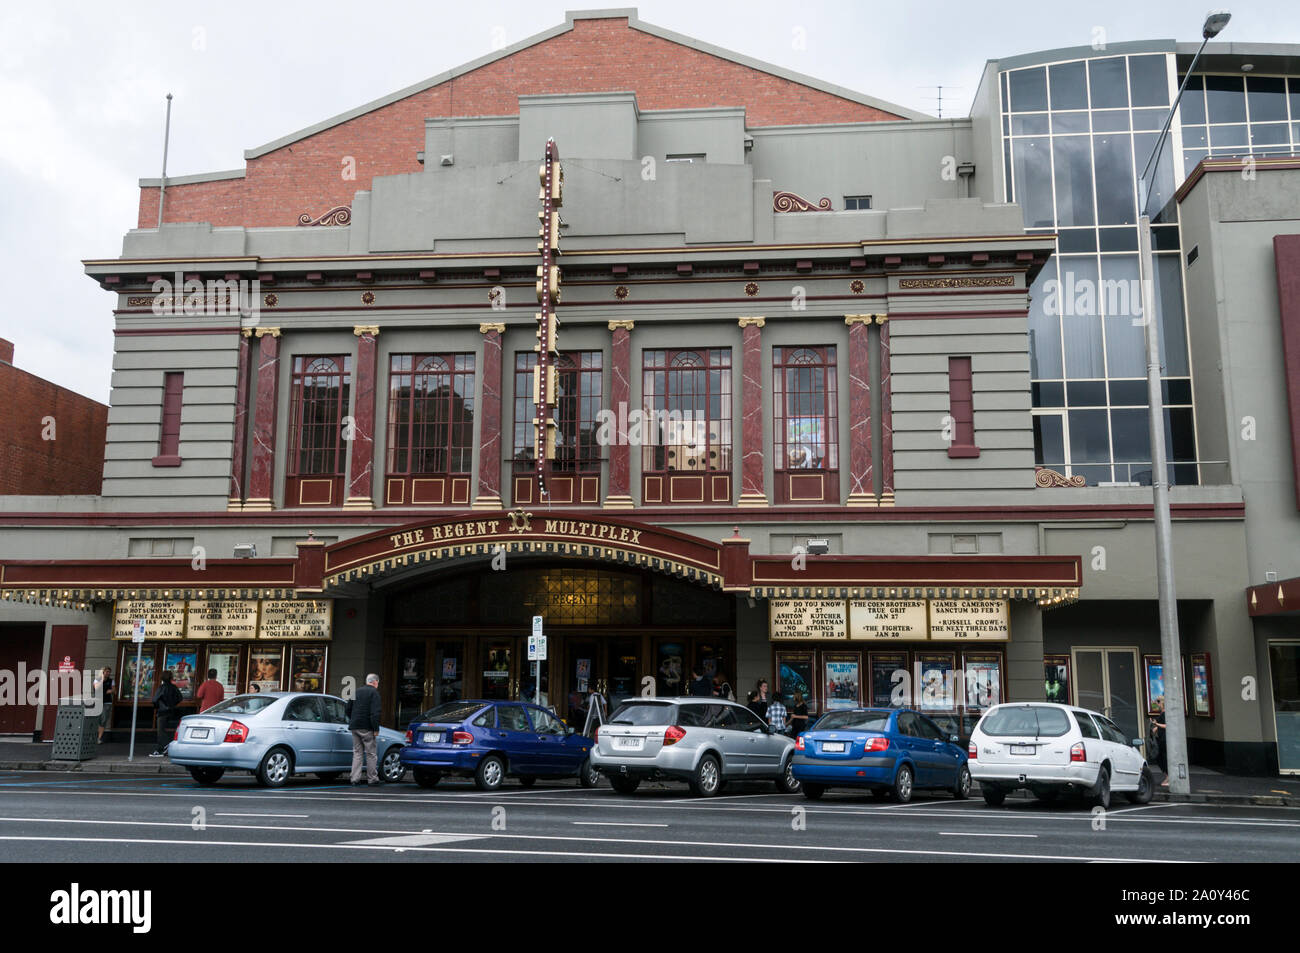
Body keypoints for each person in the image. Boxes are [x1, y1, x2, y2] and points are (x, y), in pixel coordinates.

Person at [347, 674, 383, 785]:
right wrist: (376, 728)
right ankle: (372, 779)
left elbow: (348, 708)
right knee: (371, 753)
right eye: (378, 683)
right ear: (375, 682)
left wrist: (353, 719)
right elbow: (375, 713)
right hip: (367, 727)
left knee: (357, 753)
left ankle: (354, 778)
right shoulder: (374, 693)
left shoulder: (356, 691)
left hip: (354, 726)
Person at [149, 671, 182, 757]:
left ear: (162, 678)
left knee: (160, 731)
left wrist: (158, 706)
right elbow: (180, 698)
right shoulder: (174, 687)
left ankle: (163, 748)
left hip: (162, 712)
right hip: (171, 711)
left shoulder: (161, 687)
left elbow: (155, 700)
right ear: (171, 677)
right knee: (168, 730)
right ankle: (163, 748)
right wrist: (172, 704)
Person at [1151, 697, 1169, 787]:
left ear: (1162, 703)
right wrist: (1156, 728)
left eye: (1158, 701)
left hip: (1165, 739)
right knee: (1159, 757)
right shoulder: (1162, 713)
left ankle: (1169, 777)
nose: (1157, 703)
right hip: (1161, 738)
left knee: (1163, 757)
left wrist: (1156, 724)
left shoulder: (1165, 713)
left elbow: (1167, 725)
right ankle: (1167, 776)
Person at [94, 667, 114, 743]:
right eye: (106, 672)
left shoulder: (111, 681)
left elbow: (113, 690)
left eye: (109, 672)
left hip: (107, 702)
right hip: (98, 701)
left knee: (103, 720)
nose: (108, 673)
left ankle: (99, 738)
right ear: (102, 672)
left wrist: (110, 690)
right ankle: (93, 736)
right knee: (96, 719)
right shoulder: (97, 679)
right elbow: (96, 688)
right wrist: (102, 680)